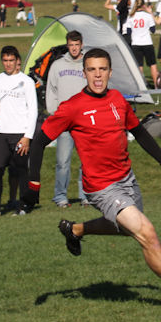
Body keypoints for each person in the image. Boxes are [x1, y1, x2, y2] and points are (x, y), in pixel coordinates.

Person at [24, 49, 161, 310]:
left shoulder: (117, 100)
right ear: (84, 73)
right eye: (92, 69)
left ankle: (76, 229)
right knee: (146, 233)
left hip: (127, 179)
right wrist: (33, 184)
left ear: (110, 72)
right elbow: (39, 141)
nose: (97, 75)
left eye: (102, 69)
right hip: (101, 187)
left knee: (126, 229)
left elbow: (140, 132)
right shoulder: (73, 107)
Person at [0, 45, 38, 216]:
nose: (8, 64)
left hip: (20, 133)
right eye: (5, 60)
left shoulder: (26, 81)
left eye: (11, 60)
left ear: (17, 61)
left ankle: (23, 206)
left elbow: (33, 110)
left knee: (21, 170)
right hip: (0, 133)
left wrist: (27, 136)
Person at [46, 31, 88, 209]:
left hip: (84, 122)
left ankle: (86, 196)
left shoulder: (88, 64)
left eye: (77, 45)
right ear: (67, 45)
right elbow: (51, 90)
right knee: (62, 162)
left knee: (86, 161)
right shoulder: (57, 65)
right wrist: (54, 113)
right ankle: (60, 196)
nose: (74, 48)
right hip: (64, 122)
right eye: (71, 45)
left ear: (81, 45)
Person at [127, 0, 159, 85]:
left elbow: (128, 31)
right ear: (143, 5)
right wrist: (150, 13)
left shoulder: (131, 16)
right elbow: (153, 30)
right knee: (153, 65)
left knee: (139, 66)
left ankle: (141, 86)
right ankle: (156, 86)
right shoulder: (148, 16)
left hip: (136, 44)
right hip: (147, 43)